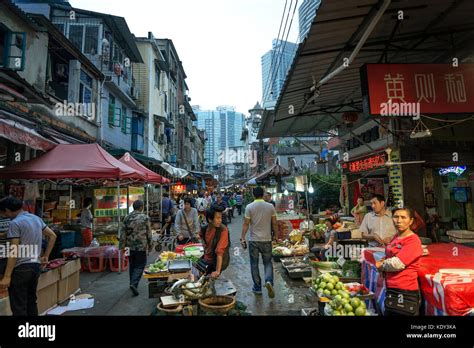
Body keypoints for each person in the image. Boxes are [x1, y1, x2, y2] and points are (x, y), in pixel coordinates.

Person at [0, 196, 57, 316]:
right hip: (35, 267)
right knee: (31, 302)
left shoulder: (14, 223)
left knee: (19, 306)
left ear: (8, 210)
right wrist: (46, 256)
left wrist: (7, 276)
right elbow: (52, 236)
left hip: (21, 268)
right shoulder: (35, 218)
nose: (4, 216)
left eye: (4, 213)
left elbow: (14, 250)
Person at [376, 207, 423, 316]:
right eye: (396, 217)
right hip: (391, 288)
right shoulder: (396, 237)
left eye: (403, 217)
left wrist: (380, 265)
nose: (399, 220)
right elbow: (390, 254)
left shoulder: (413, 240)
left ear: (411, 221)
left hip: (405, 290)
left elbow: (397, 264)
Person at [240, 187, 279, 298]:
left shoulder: (249, 207)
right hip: (267, 240)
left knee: (254, 264)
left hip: (254, 241)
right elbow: (275, 223)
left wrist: (242, 237)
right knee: (267, 263)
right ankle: (269, 282)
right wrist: (276, 236)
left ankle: (257, 287)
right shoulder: (270, 206)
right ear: (263, 194)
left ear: (253, 195)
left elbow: (246, 224)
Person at [120, 200, 152, 297]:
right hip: (141, 246)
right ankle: (134, 283)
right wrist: (150, 245)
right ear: (141, 207)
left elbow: (122, 233)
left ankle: (132, 284)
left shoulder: (126, 217)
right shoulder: (145, 218)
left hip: (129, 246)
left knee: (132, 264)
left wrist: (121, 247)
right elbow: (149, 233)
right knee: (140, 264)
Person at [198, 207, 230, 279]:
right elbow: (200, 236)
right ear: (210, 219)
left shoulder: (223, 230)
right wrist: (204, 246)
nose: (220, 220)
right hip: (206, 259)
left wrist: (217, 271)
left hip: (216, 262)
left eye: (220, 218)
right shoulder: (204, 228)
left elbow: (219, 251)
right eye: (218, 218)